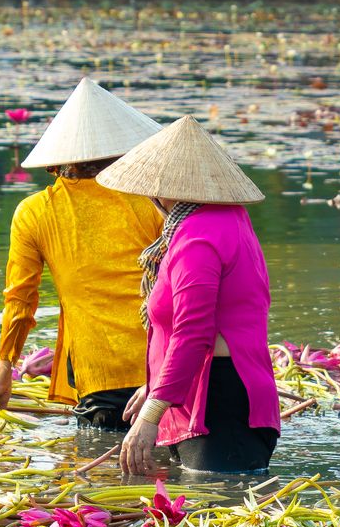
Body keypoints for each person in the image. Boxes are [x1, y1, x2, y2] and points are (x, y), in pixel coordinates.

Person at [0, 78, 164, 429]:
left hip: (101, 373)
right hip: (168, 370)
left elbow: (20, 300)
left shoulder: (35, 212)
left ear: (57, 159)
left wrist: (4, 373)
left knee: (106, 474)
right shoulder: (153, 201)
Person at [98, 116, 283, 476]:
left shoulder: (197, 238)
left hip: (219, 401)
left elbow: (194, 333)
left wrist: (151, 414)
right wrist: (155, 388)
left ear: (163, 190)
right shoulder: (228, 218)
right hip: (212, 390)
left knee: (217, 510)